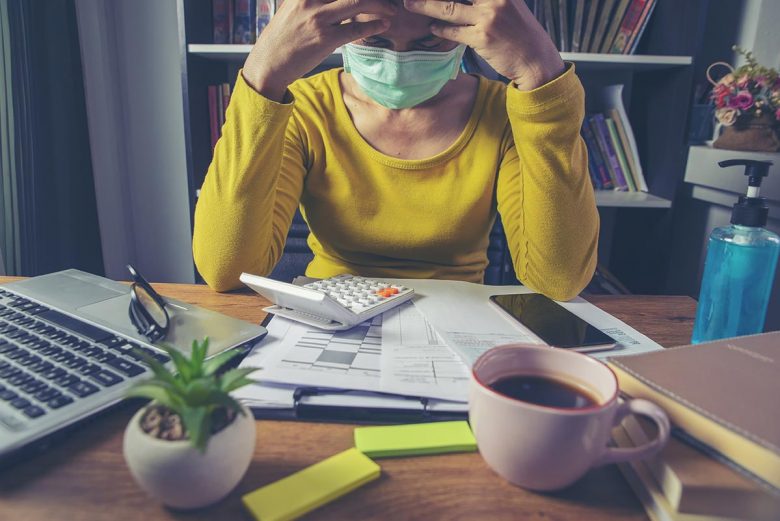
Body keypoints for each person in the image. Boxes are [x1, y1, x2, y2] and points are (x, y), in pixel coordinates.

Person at [193, 0, 599, 301]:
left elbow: (559, 279)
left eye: (429, 41)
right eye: (375, 39)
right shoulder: (304, 107)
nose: (399, 63)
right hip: (330, 315)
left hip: (460, 319)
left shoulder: (506, 113)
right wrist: (263, 75)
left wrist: (542, 74)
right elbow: (225, 270)